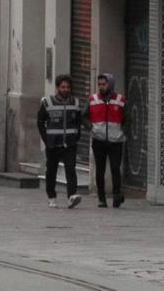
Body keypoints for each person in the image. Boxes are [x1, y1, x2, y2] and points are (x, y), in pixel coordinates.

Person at [37, 74, 83, 209]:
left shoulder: (75, 103)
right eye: (63, 87)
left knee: (71, 169)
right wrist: (46, 139)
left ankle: (72, 196)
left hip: (69, 143)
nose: (66, 89)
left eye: (68, 87)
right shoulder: (47, 102)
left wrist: (77, 136)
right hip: (53, 143)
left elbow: (78, 122)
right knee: (51, 170)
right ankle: (51, 196)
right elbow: (40, 122)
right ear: (57, 88)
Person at [87, 73, 128, 208]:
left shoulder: (120, 100)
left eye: (103, 84)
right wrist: (91, 128)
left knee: (116, 168)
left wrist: (123, 131)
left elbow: (128, 118)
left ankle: (116, 195)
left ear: (110, 84)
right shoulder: (93, 99)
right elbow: (82, 116)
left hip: (115, 140)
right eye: (99, 84)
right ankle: (101, 198)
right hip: (98, 140)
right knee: (100, 169)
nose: (101, 87)